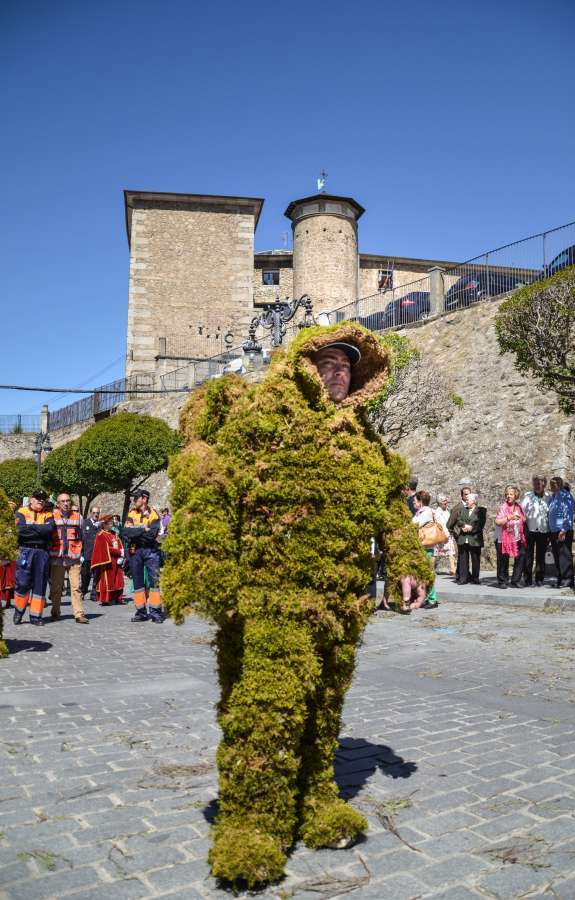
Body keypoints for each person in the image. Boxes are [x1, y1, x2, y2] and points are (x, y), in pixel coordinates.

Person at [161, 324, 433, 886]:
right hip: (269, 598)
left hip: (342, 601)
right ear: (300, 367)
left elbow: (388, 506)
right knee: (265, 712)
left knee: (323, 707)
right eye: (327, 361)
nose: (338, 371)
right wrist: (208, 567)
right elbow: (212, 482)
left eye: (346, 365)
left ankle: (314, 799)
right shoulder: (262, 419)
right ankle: (251, 825)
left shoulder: (364, 442)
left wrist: (408, 560)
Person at [13, 489, 55, 625]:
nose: (40, 500)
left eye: (43, 498)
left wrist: (31, 528)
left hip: (42, 552)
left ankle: (36, 616)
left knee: (40, 584)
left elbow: (49, 530)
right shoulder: (22, 512)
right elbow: (20, 530)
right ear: (31, 499)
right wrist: (40, 529)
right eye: (37, 498)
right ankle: (19, 611)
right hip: (26, 551)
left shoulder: (48, 514)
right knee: (23, 583)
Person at [123, 490, 164, 623]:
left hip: (150, 551)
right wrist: (142, 530)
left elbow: (151, 535)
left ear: (144, 499)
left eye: (136, 498)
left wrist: (137, 532)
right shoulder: (132, 513)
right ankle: (141, 612)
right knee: (138, 584)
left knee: (154, 583)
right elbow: (126, 532)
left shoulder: (153, 514)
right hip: (135, 551)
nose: (134, 500)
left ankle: (156, 612)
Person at [49, 493, 88, 624]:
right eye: (63, 501)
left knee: (76, 587)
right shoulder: (51, 517)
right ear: (58, 504)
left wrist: (81, 553)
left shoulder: (78, 517)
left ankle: (79, 614)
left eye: (68, 501)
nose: (66, 503)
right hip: (57, 558)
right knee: (56, 588)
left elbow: (83, 535)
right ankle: (55, 611)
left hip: (74, 558)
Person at [521, 476, 550, 587]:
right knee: (528, 555)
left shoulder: (548, 497)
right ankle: (527, 578)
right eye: (535, 484)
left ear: (544, 485)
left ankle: (539, 578)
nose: (537, 486)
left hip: (543, 530)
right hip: (530, 530)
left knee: (541, 556)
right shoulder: (528, 496)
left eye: (540, 484)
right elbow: (522, 510)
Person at [495, 485, 526, 588]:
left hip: (517, 537)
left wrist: (522, 519)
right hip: (502, 539)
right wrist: (509, 517)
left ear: (516, 495)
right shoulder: (503, 507)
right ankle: (502, 581)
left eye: (511, 494)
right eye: (507, 494)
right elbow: (498, 522)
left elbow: (522, 518)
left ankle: (515, 580)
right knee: (503, 560)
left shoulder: (518, 507)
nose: (508, 496)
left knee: (520, 557)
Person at [412, 490, 439, 608]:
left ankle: (432, 599)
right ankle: (427, 597)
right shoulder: (421, 511)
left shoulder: (426, 512)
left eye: (415, 501)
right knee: (423, 573)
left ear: (420, 502)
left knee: (427, 573)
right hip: (423, 547)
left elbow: (414, 524)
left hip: (426, 547)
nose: (413, 503)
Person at [91, 515, 125, 605]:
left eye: (111, 523)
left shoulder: (114, 533)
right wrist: (119, 552)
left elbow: (119, 542)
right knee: (108, 580)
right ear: (104, 524)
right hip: (107, 561)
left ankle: (117, 597)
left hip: (117, 560)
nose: (111, 524)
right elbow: (105, 548)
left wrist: (121, 553)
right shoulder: (101, 535)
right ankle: (106, 599)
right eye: (109, 523)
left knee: (118, 579)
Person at [547, 476, 575, 589]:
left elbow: (568, 513)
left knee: (564, 556)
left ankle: (568, 580)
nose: (551, 486)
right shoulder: (553, 497)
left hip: (563, 531)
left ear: (559, 484)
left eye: (554, 484)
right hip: (554, 531)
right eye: (551, 484)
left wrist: (564, 530)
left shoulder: (565, 496)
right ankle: (560, 578)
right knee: (557, 556)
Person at [454, 492, 486, 584]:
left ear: (474, 501)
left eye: (468, 499)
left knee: (475, 559)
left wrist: (471, 528)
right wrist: (464, 526)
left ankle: (475, 578)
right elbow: (459, 520)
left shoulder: (481, 510)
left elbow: (480, 524)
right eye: (466, 499)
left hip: (475, 538)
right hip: (463, 538)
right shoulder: (463, 509)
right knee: (463, 559)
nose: (466, 501)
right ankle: (463, 578)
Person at [447, 486, 472, 581]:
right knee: (463, 555)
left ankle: (460, 574)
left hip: (470, 536)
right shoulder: (457, 508)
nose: (467, 496)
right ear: (462, 496)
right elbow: (449, 524)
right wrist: (456, 534)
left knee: (465, 556)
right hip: (461, 536)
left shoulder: (472, 506)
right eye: (465, 494)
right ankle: (463, 576)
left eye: (469, 494)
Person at [81, 505, 101, 602]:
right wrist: (81, 554)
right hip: (87, 554)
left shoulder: (101, 525)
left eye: (97, 513)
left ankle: (94, 594)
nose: (96, 515)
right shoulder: (85, 523)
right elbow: (81, 540)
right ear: (90, 513)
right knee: (85, 575)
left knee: (97, 576)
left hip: (98, 555)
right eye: (94, 513)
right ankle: (83, 591)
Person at [433, 494, 457, 576]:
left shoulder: (447, 511)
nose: (445, 502)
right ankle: (430, 569)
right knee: (436, 553)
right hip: (440, 535)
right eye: (443, 501)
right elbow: (439, 525)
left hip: (448, 535)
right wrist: (444, 533)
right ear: (439, 502)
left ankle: (453, 569)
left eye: (446, 500)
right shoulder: (437, 512)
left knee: (451, 551)